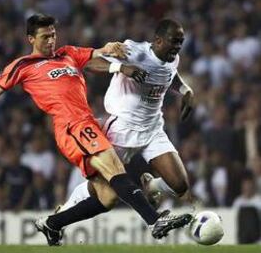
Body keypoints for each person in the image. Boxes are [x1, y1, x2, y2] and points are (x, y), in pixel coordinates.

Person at [0, 13, 192, 246]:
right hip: (71, 126)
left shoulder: (67, 54)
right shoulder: (23, 65)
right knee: (116, 170)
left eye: (53, 34)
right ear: (31, 39)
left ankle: (53, 223)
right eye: (45, 36)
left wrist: (112, 51)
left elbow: (98, 54)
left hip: (87, 122)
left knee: (107, 198)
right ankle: (155, 220)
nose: (51, 40)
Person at [52, 18, 195, 230]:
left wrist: (185, 91)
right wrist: (121, 67)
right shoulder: (133, 51)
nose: (177, 47)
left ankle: (151, 184)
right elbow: (88, 62)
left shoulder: (172, 58)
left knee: (180, 185)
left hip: (153, 129)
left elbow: (169, 75)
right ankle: (66, 210)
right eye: (174, 41)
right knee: (101, 188)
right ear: (157, 41)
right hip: (122, 129)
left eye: (180, 42)